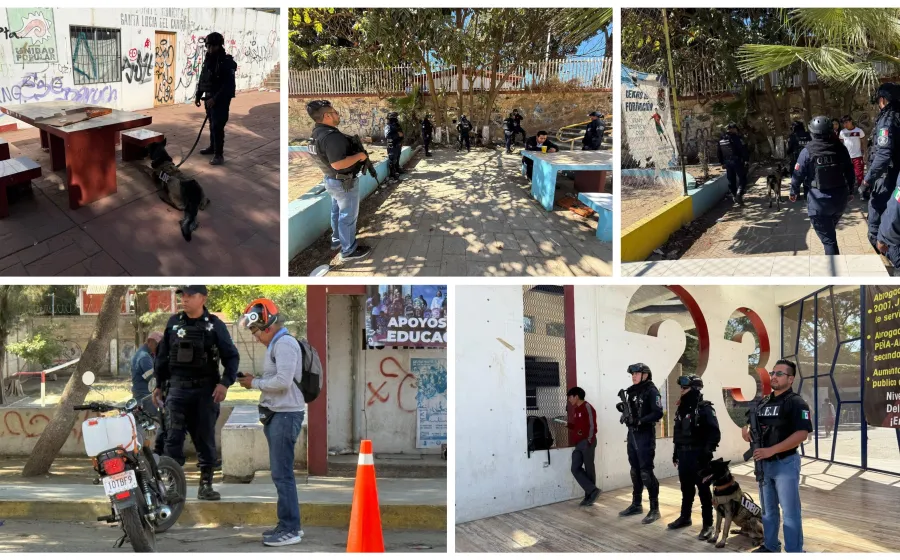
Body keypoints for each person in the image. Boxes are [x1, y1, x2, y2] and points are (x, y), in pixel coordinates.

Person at [153, 286, 240, 501]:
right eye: (183, 295)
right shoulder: (174, 323)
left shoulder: (215, 325)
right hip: (177, 389)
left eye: (190, 295)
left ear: (203, 298)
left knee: (204, 438)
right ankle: (173, 487)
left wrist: (225, 384)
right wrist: (158, 384)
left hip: (205, 391)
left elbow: (231, 356)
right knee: (171, 438)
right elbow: (163, 356)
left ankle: (206, 485)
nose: (185, 299)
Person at [236, 299, 305, 547]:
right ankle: (288, 524)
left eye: (254, 331)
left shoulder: (284, 344)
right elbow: (277, 379)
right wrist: (255, 380)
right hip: (279, 414)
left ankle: (290, 529)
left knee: (282, 475)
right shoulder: (278, 344)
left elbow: (283, 382)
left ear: (266, 325)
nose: (254, 337)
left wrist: (254, 383)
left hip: (286, 416)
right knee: (281, 474)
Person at [742, 359, 812, 553]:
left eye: (779, 374)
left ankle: (795, 551)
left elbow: (802, 434)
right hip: (764, 464)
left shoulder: (796, 402)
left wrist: (772, 450)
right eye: (772, 373)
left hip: (785, 463)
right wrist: (746, 429)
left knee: (790, 513)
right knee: (768, 511)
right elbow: (750, 420)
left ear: (790, 379)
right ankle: (771, 546)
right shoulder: (764, 402)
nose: (773, 376)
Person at [307, 99, 373, 263]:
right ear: (327, 115)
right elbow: (338, 164)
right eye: (335, 112)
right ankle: (349, 250)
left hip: (331, 181)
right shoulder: (331, 137)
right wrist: (359, 156)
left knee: (337, 212)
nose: (338, 114)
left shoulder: (316, 133)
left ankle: (337, 240)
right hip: (344, 183)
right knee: (347, 216)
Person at [790, 115, 855, 256]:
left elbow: (797, 174)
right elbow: (850, 171)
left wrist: (793, 192)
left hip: (819, 204)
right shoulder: (840, 148)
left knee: (829, 241)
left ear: (812, 133)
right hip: (840, 201)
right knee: (829, 230)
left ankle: (834, 272)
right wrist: (851, 190)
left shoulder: (807, 151)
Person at [667, 374, 720, 541]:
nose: (681, 390)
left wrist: (705, 454)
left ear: (695, 389)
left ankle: (708, 524)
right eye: (681, 387)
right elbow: (679, 434)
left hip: (698, 456)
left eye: (685, 387)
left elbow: (714, 433)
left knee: (704, 491)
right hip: (683, 455)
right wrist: (676, 453)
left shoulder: (704, 408)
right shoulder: (681, 408)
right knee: (686, 489)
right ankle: (685, 517)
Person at [619, 363, 664, 524]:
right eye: (633, 374)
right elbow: (631, 411)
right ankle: (636, 504)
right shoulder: (631, 392)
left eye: (637, 373)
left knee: (646, 472)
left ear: (646, 374)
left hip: (645, 435)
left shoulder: (652, 391)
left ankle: (654, 509)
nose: (634, 376)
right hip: (632, 435)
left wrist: (640, 421)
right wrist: (624, 412)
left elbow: (658, 412)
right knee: (634, 471)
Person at [861, 83, 900, 252]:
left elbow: (883, 155)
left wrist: (867, 180)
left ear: (883, 99)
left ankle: (882, 252)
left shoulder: (888, 118)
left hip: (886, 175)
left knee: (877, 210)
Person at [195, 32, 236, 166]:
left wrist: (215, 99)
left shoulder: (226, 62)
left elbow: (228, 85)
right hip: (209, 97)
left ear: (219, 45)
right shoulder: (209, 59)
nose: (210, 49)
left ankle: (219, 155)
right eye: (208, 46)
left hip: (221, 100)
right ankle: (212, 147)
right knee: (212, 124)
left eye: (212, 46)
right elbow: (203, 77)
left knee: (218, 126)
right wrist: (198, 94)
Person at [563, 387, 600, 506]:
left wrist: (589, 441)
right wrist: (568, 425)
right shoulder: (576, 409)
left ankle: (589, 496)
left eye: (570, 397)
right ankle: (593, 491)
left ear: (576, 396)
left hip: (587, 442)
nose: (569, 399)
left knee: (589, 469)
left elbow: (592, 426)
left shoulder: (587, 407)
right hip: (578, 444)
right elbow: (578, 427)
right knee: (575, 468)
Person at [132, 332, 165, 455]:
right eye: (158, 345)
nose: (160, 348)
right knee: (164, 420)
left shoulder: (148, 354)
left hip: (144, 396)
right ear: (150, 341)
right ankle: (159, 451)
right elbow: (153, 379)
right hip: (146, 397)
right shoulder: (144, 357)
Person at [717, 123, 749, 205]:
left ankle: (734, 196)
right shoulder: (736, 138)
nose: (737, 131)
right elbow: (743, 150)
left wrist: (722, 162)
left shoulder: (721, 139)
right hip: (737, 161)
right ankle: (739, 194)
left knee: (731, 180)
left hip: (727, 163)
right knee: (743, 178)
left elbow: (719, 152)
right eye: (736, 129)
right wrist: (746, 160)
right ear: (733, 129)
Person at [839, 116, 867, 188]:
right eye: (843, 123)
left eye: (846, 122)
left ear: (851, 121)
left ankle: (861, 190)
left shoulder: (859, 131)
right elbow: (840, 144)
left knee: (859, 174)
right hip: (847, 157)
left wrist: (865, 154)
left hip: (857, 156)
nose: (845, 125)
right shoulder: (842, 132)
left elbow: (864, 143)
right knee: (848, 174)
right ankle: (850, 189)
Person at [787, 121, 812, 197]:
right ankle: (807, 194)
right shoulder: (809, 135)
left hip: (796, 160)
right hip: (809, 159)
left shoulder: (793, 136)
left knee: (796, 176)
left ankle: (796, 193)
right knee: (808, 176)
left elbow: (789, 150)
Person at [384, 111, 405, 181]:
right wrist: (397, 135)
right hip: (392, 145)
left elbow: (401, 133)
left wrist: (401, 141)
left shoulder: (397, 124)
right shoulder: (388, 126)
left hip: (398, 144)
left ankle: (397, 169)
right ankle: (392, 174)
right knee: (392, 159)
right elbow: (387, 135)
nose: (396, 118)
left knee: (397, 157)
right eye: (395, 117)